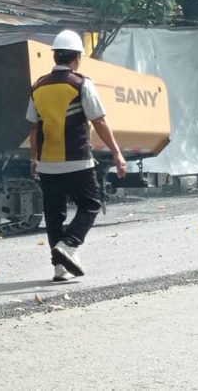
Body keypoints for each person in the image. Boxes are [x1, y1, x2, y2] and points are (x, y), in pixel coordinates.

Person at [26, 30, 127, 283]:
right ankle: (69, 245)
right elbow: (99, 121)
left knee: (54, 213)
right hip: (77, 159)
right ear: (77, 58)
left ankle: (60, 268)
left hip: (48, 163)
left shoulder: (38, 86)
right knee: (91, 204)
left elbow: (35, 127)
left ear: (56, 56)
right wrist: (116, 152)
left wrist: (34, 159)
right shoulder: (81, 84)